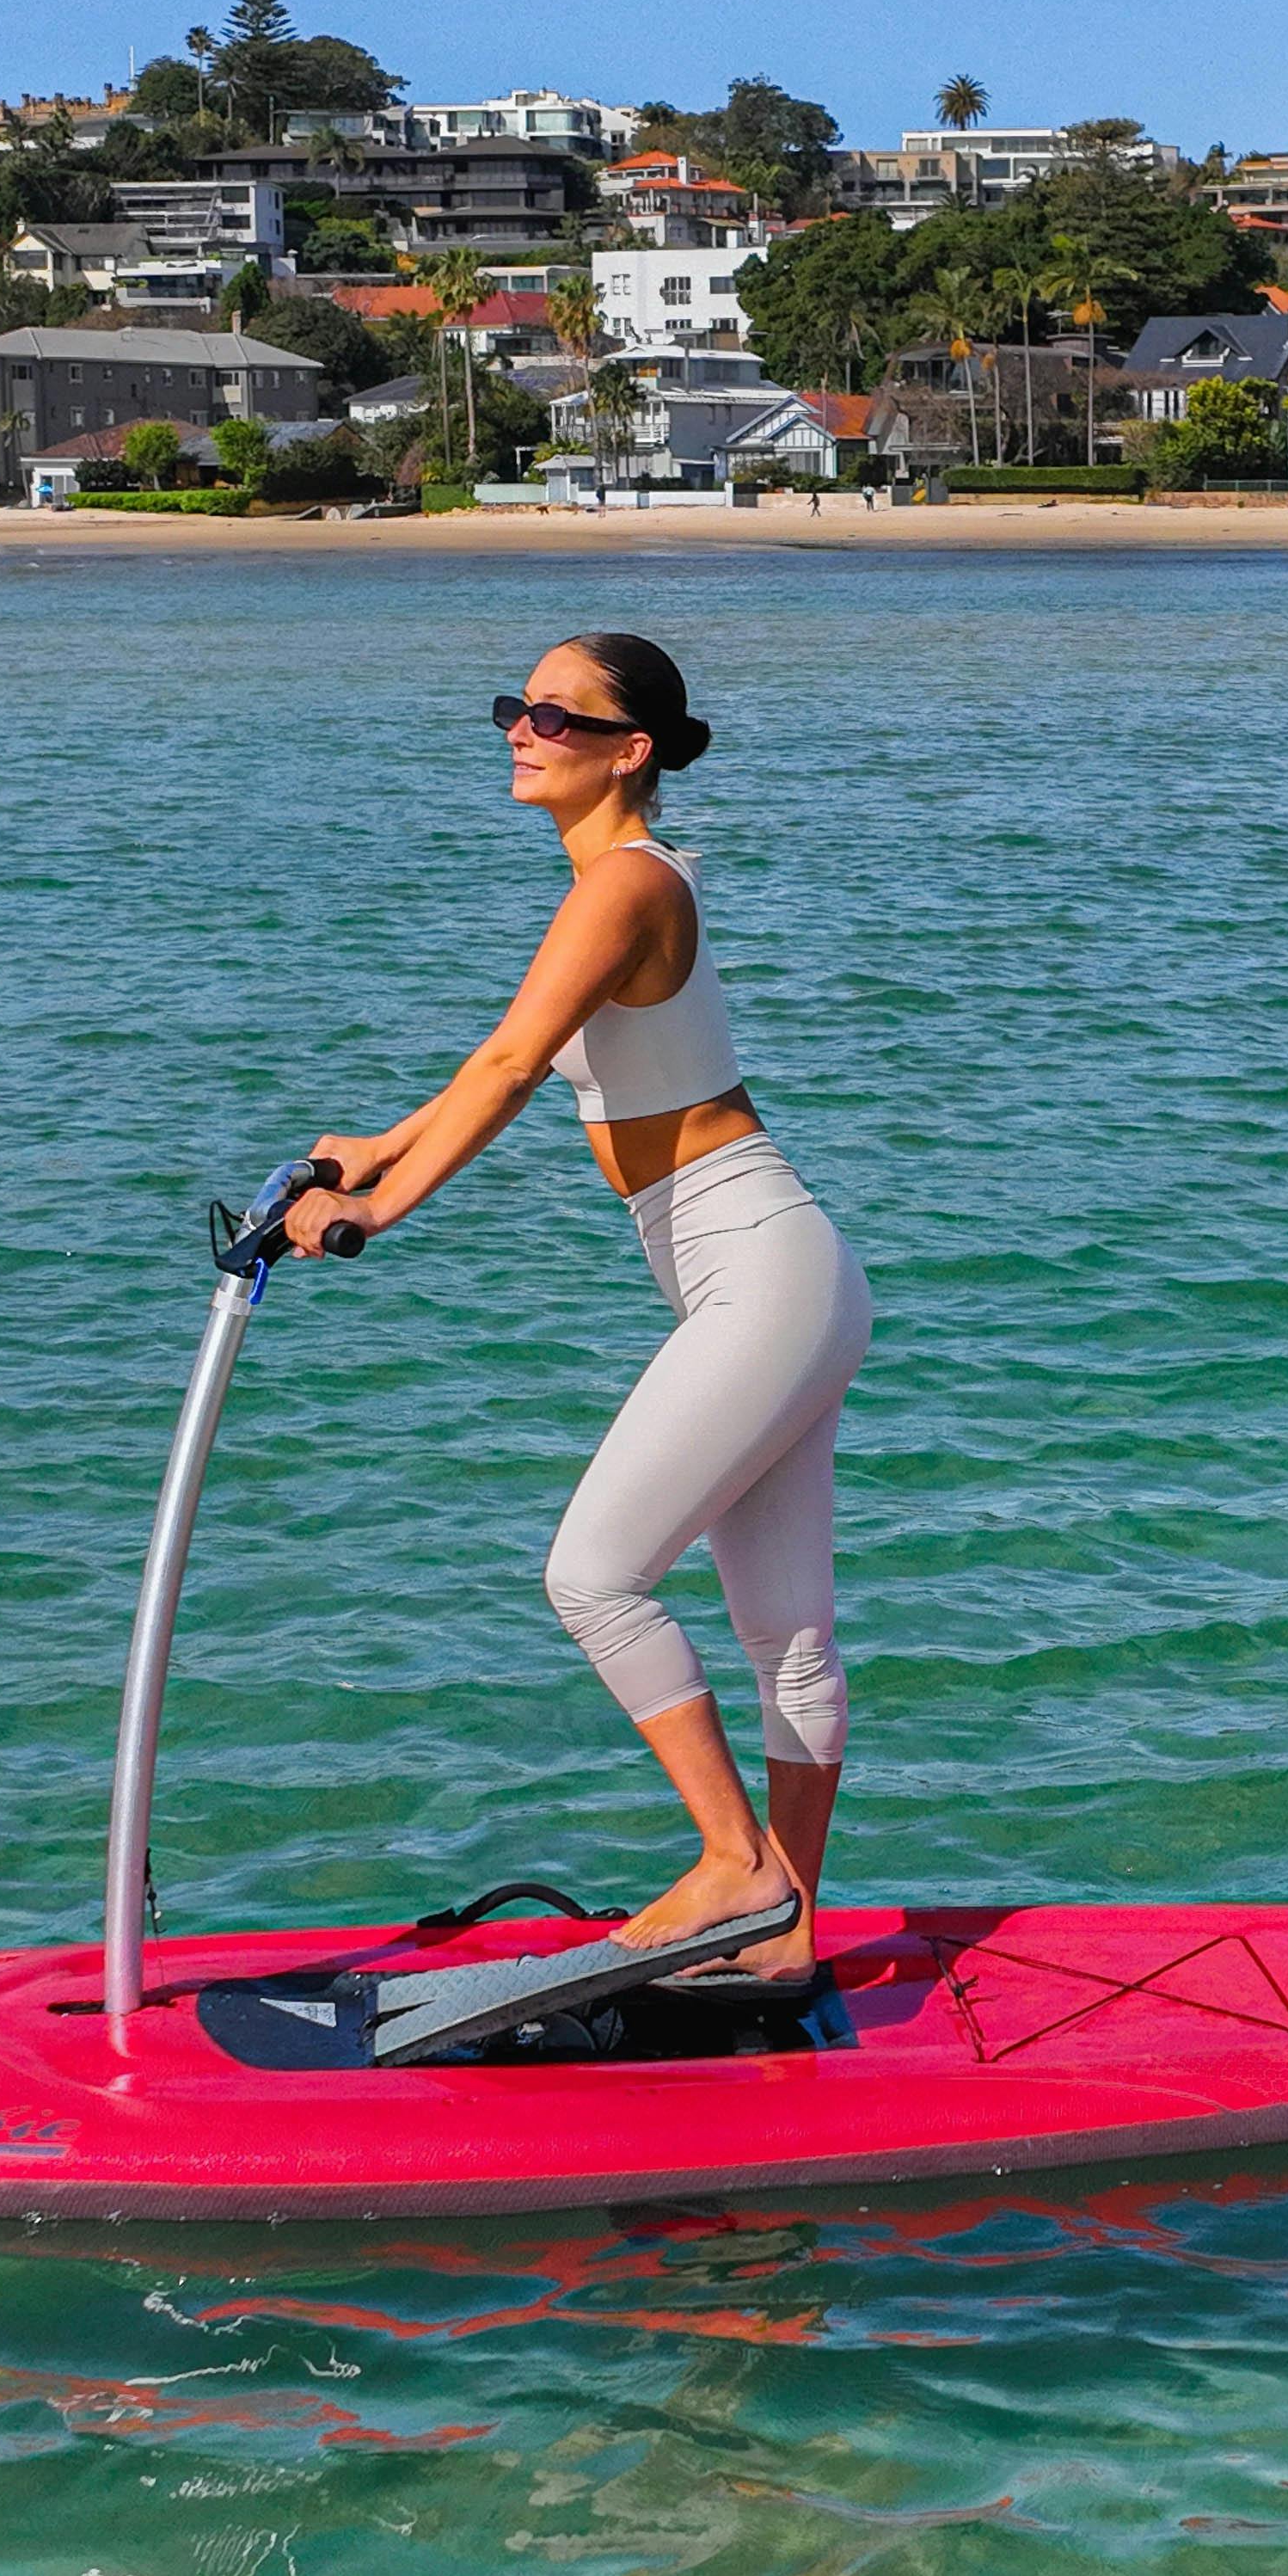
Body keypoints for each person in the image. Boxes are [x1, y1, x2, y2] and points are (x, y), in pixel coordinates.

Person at [278, 633, 869, 1993]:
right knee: (788, 1632)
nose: (519, 728)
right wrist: (383, 1138)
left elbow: (510, 1058)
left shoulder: (621, 884)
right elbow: (515, 1061)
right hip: (782, 1273)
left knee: (593, 1575)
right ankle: (788, 1935)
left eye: (553, 712)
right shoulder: (623, 882)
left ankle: (737, 1864)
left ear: (630, 749)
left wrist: (379, 1208)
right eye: (512, 706)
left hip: (760, 1272)